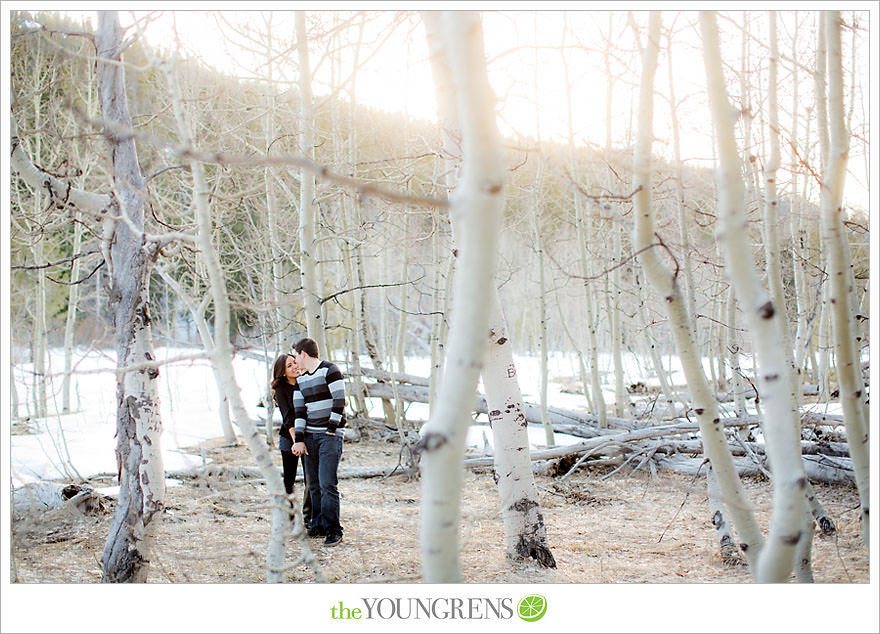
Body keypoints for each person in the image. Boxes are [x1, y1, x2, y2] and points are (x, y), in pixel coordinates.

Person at [290, 337, 345, 546]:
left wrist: (331, 429)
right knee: (312, 484)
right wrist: (300, 440)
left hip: (330, 436)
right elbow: (300, 413)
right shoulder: (301, 382)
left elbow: (339, 400)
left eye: (296, 355)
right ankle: (318, 525)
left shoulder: (330, 370)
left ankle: (334, 530)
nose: (295, 360)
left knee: (327, 483)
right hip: (310, 438)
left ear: (303, 353)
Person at [270, 354, 311, 527]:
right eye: (289, 365)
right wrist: (296, 441)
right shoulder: (281, 389)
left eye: (295, 362)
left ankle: (310, 518)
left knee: (311, 479)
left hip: (309, 436)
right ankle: (289, 519)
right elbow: (288, 418)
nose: (295, 366)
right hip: (290, 437)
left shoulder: (305, 382)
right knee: (289, 479)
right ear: (283, 372)